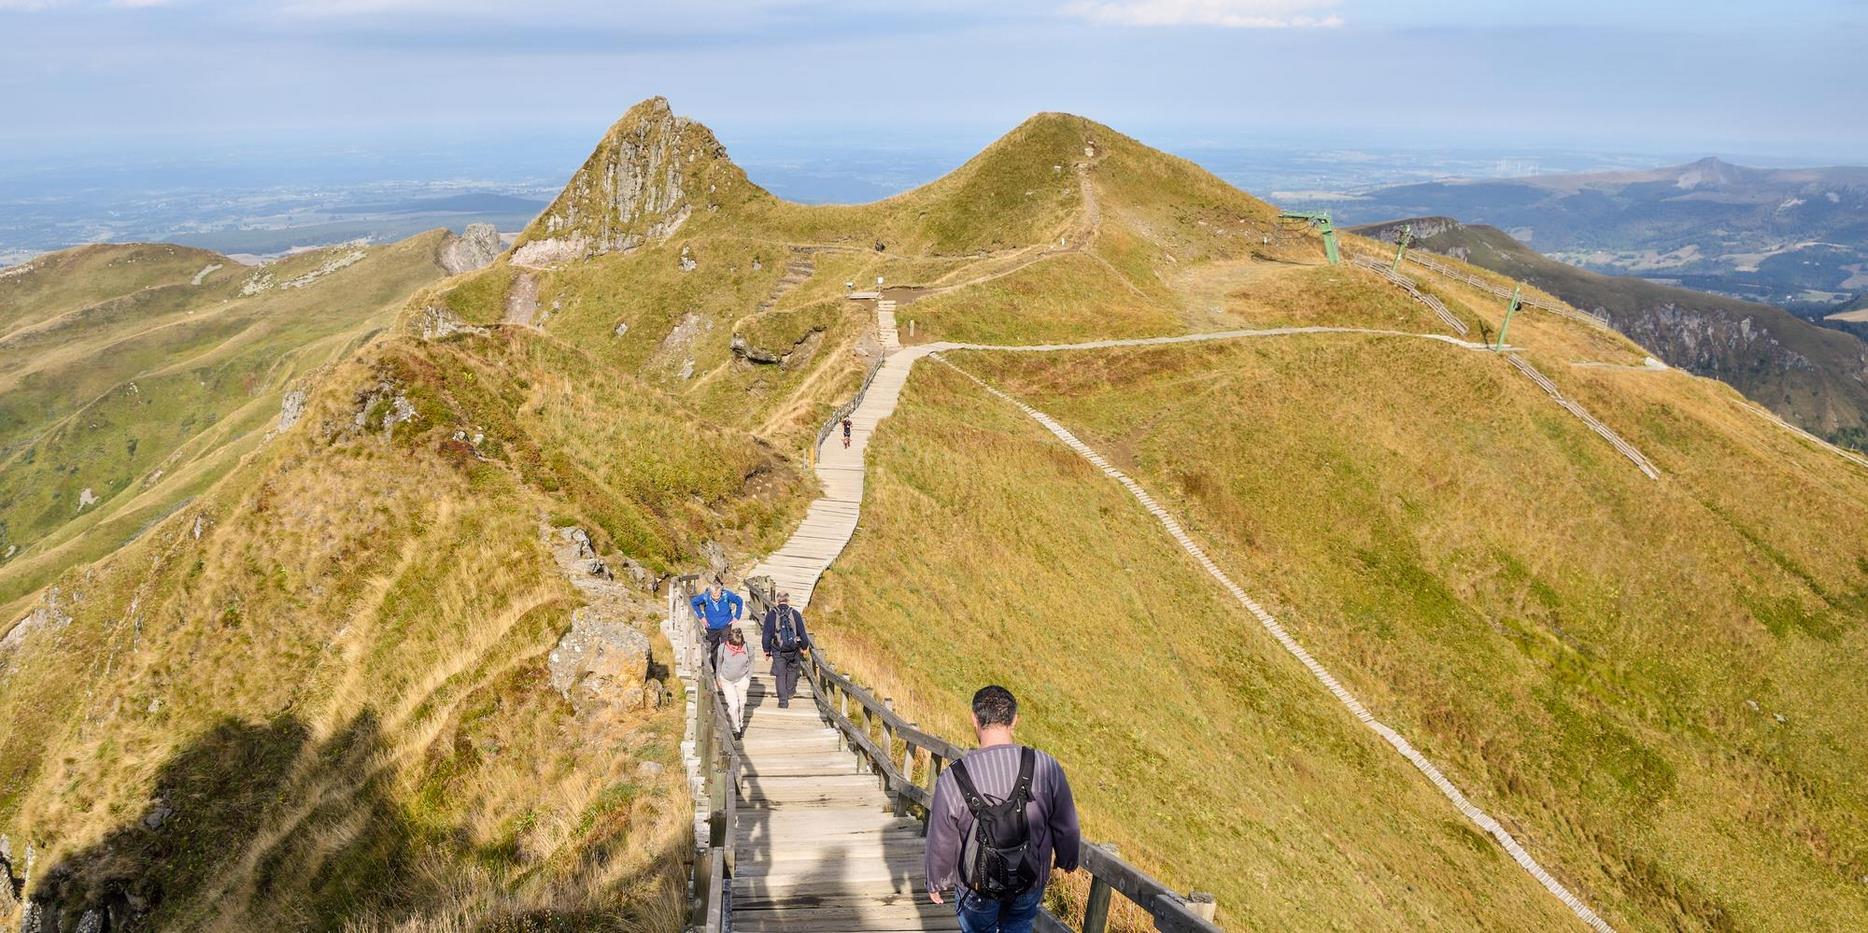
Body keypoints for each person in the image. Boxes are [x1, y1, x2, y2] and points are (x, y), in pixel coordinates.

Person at [925, 685, 1080, 933]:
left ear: (974, 718)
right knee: (1019, 925)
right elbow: (1066, 823)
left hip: (976, 883)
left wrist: (937, 879)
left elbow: (942, 835)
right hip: (1030, 877)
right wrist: (1068, 858)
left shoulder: (954, 776)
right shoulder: (1045, 766)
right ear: (1015, 720)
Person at [760, 591, 811, 708]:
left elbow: (766, 635)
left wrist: (766, 650)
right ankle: (790, 692)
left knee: (780, 675)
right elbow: (802, 633)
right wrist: (804, 647)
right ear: (788, 601)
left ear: (777, 601)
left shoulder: (772, 615)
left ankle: (783, 702)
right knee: (793, 670)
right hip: (793, 649)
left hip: (778, 649)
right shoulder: (795, 614)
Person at [689, 578, 743, 670]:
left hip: (726, 624)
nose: (716, 597)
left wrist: (737, 616)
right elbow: (694, 602)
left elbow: (739, 601)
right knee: (714, 648)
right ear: (710, 593)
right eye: (714, 595)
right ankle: (716, 669)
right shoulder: (705, 597)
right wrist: (701, 617)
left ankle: (725, 668)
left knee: (725, 646)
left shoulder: (726, 595)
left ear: (721, 592)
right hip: (711, 626)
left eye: (718, 594)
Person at [715, 627, 753, 736]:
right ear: (728, 642)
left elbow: (751, 662)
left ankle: (740, 723)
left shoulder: (748, 647)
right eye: (733, 646)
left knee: (742, 704)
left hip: (742, 679)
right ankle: (736, 729)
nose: (736, 648)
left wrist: (748, 678)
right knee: (734, 705)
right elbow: (719, 663)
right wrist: (718, 677)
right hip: (726, 680)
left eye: (738, 646)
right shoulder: (722, 648)